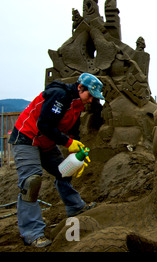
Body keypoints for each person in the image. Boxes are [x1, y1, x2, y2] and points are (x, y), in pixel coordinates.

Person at [8, 73, 104, 247]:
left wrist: (77, 152)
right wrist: (68, 142)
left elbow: (74, 131)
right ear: (80, 87)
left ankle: (75, 207)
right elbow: (43, 125)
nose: (90, 100)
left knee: (65, 171)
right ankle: (32, 233)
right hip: (27, 138)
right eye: (89, 95)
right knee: (31, 182)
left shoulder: (77, 105)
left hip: (46, 142)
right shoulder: (59, 96)